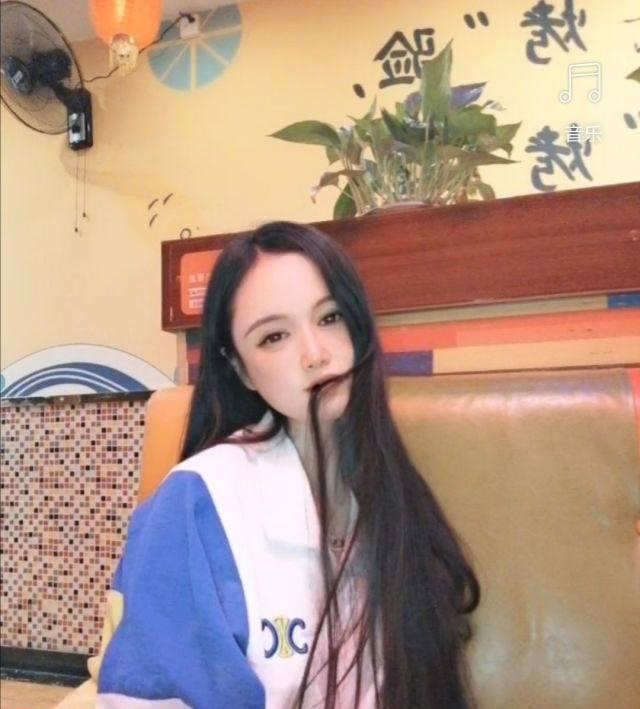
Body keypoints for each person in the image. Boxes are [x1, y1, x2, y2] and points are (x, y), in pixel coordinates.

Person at [96, 221, 480, 709]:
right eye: (274, 336)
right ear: (240, 368)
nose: (316, 355)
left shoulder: (395, 497)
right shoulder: (198, 502)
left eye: (330, 317)